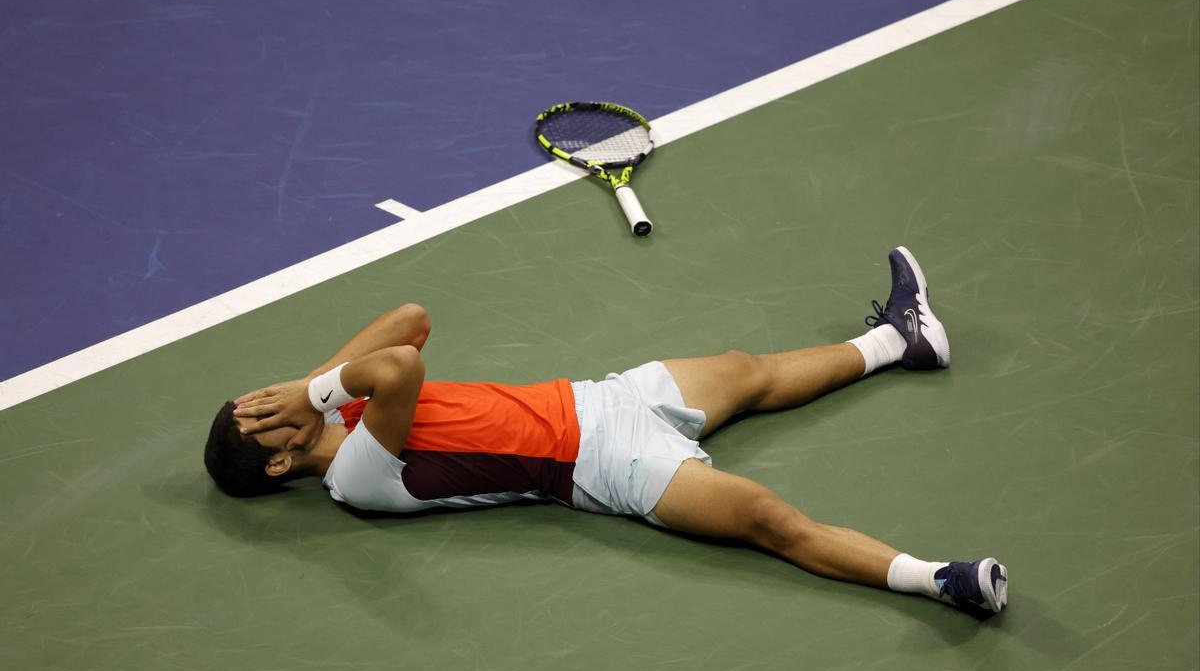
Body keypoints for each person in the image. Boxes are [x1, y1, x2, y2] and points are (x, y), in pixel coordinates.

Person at [205, 247, 1008, 616]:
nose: (269, 403)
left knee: (747, 369)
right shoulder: (356, 479)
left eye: (257, 398)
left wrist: (314, 388)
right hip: (605, 466)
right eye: (259, 416)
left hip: (599, 398)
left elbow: (411, 319)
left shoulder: (336, 407)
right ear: (278, 464)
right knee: (770, 519)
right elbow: (398, 370)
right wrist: (316, 387)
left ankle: (902, 339)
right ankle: (941, 580)